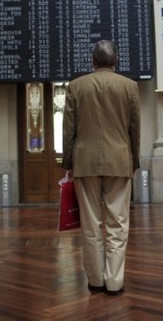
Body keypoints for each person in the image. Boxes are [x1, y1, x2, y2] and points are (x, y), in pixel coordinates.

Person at [62, 39, 140, 296]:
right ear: (115, 61)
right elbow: (134, 129)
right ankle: (115, 282)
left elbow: (69, 130)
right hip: (120, 160)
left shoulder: (76, 86)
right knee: (118, 224)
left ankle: (95, 280)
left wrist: (68, 163)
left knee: (91, 224)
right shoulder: (130, 86)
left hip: (86, 162)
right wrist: (134, 160)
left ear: (93, 62)